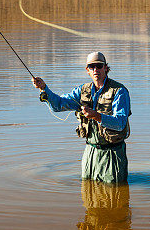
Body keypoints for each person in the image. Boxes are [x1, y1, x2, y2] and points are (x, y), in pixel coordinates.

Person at [33, 51, 131, 184]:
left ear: (106, 68)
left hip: (112, 154)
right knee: (89, 196)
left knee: (115, 197)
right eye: (92, 67)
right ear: (87, 70)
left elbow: (120, 123)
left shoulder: (119, 91)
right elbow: (58, 105)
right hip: (90, 153)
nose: (96, 69)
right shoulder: (82, 90)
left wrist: (96, 116)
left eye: (99, 66)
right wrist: (44, 88)